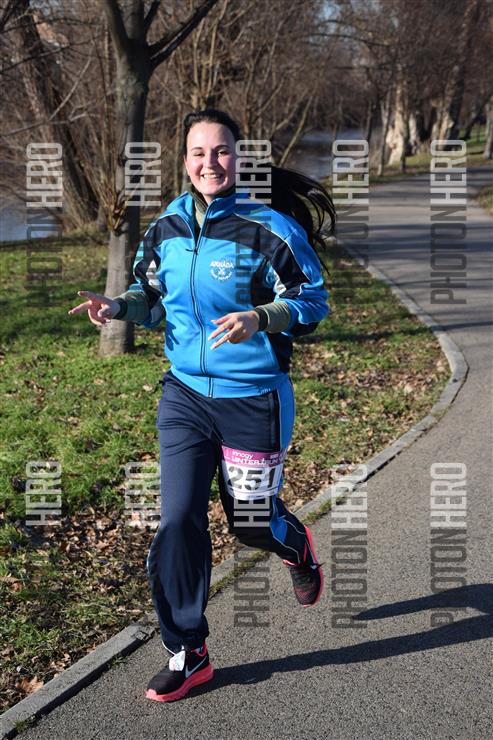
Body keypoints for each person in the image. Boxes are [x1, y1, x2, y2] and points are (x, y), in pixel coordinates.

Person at [68, 108, 336, 703]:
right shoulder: (166, 226)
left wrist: (261, 317)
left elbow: (313, 302)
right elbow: (151, 295)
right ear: (183, 158)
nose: (209, 163)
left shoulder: (269, 229)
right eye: (198, 152)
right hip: (185, 395)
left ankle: (295, 545)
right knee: (177, 521)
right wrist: (119, 307)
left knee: (250, 524)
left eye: (221, 151)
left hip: (254, 400)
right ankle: (189, 651)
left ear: (238, 157)